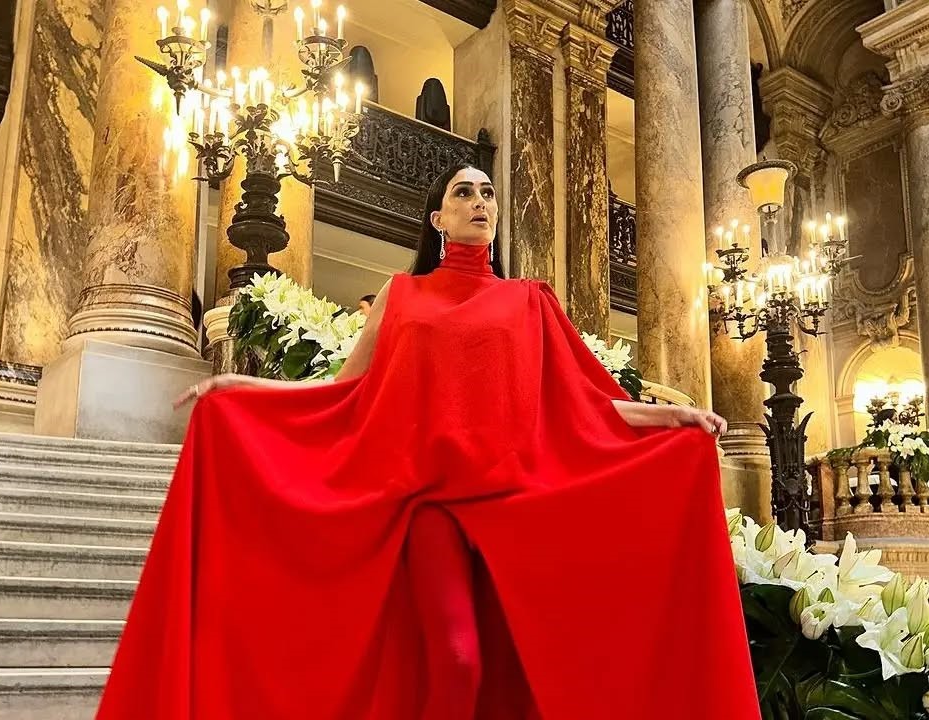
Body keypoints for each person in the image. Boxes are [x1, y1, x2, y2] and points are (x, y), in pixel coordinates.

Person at [96, 165, 761, 720]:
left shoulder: (531, 300)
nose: (480, 202)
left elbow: (587, 405)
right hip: (433, 506)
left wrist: (674, 421)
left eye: (488, 193)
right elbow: (345, 389)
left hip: (519, 503)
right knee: (459, 657)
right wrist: (238, 394)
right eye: (463, 194)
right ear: (437, 220)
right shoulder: (402, 294)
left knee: (536, 663)